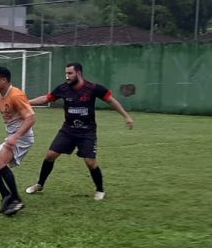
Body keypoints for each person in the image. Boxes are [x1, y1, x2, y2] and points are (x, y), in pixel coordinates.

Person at [25, 62, 134, 201]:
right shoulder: (63, 88)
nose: (67, 76)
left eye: (70, 73)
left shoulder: (93, 88)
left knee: (90, 162)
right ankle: (40, 185)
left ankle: (100, 190)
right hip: (68, 130)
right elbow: (46, 98)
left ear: (79, 73)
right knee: (50, 155)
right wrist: (26, 102)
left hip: (87, 132)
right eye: (66, 73)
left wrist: (126, 116)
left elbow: (111, 101)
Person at [0, 66, 36, 216]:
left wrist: (16, 136)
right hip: (13, 136)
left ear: (4, 80)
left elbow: (31, 118)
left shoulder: (16, 95)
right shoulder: (1, 94)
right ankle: (7, 196)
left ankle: (17, 199)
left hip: (22, 138)